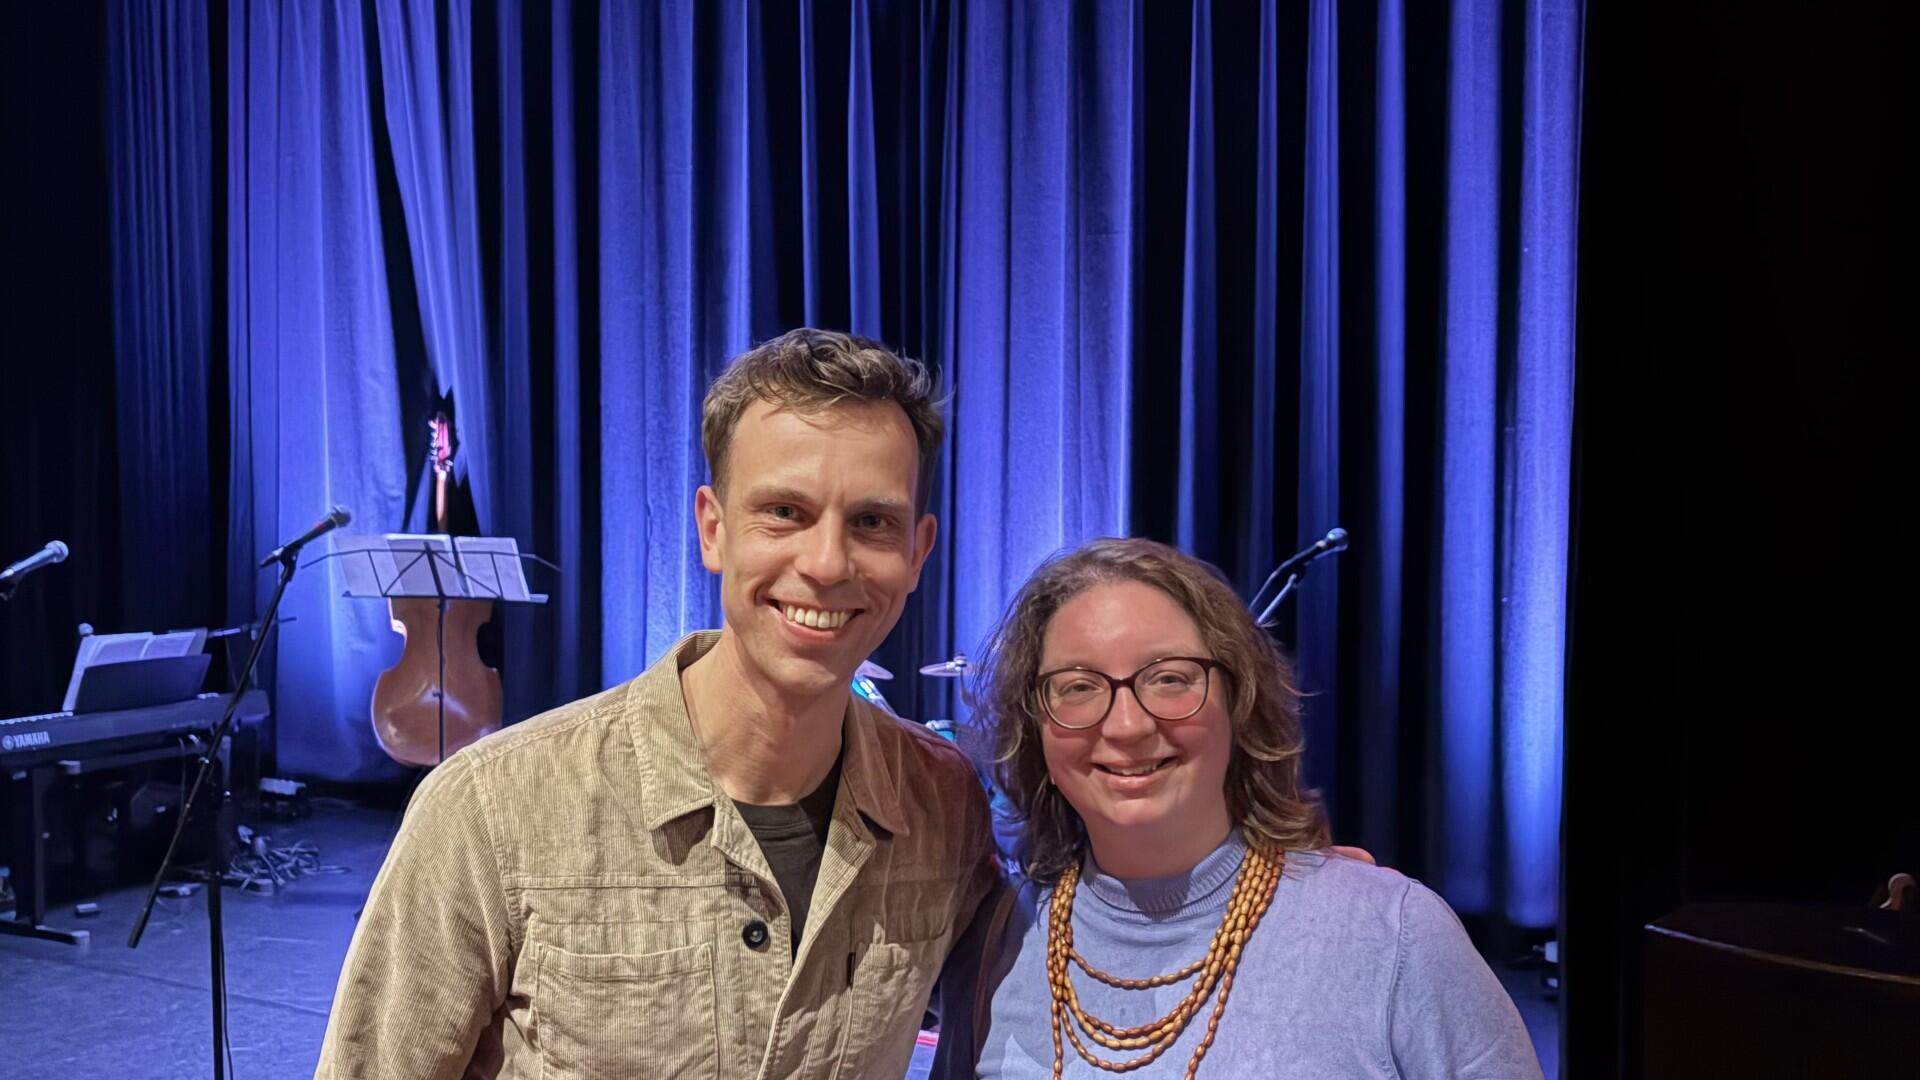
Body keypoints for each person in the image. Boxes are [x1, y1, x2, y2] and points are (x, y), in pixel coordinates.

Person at [317, 329, 998, 1079]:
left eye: (871, 522)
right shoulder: (490, 810)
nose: (828, 563)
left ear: (917, 551)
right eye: (784, 512)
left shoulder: (943, 805)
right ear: (712, 528)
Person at [933, 537, 1543, 1079]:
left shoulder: (1395, 935)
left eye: (1170, 678)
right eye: (1078, 687)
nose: (1126, 724)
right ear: (1035, 725)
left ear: (1239, 701)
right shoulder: (996, 940)